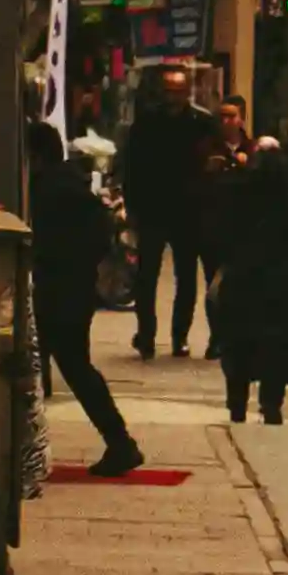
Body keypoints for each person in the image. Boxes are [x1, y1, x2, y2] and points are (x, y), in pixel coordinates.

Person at [27, 118, 146, 479]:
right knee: (64, 368)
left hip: (59, 291)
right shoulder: (65, 185)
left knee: (52, 367)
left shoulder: (53, 189)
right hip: (70, 290)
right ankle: (118, 442)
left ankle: (119, 442)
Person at [208, 128, 288, 427]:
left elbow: (215, 231)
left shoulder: (232, 192)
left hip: (240, 277)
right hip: (280, 279)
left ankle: (237, 406)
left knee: (238, 340)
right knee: (278, 342)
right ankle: (271, 404)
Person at [116, 68, 221, 363]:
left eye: (179, 90)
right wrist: (133, 207)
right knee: (146, 277)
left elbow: (213, 163)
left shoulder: (201, 123)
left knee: (186, 277)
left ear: (188, 91)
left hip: (188, 212)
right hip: (152, 209)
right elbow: (132, 167)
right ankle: (146, 335)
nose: (174, 96)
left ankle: (180, 336)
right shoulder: (147, 123)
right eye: (169, 90)